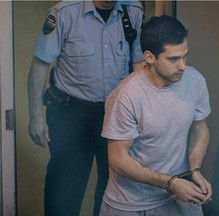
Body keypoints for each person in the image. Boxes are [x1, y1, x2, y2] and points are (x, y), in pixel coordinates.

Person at [27, 1, 145, 216]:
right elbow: (40, 64)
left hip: (115, 116)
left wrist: (143, 115)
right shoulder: (64, 12)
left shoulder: (133, 9)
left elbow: (139, 65)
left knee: (113, 191)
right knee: (63, 192)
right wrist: (35, 116)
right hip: (70, 115)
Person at [99, 15, 212, 216]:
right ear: (150, 57)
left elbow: (199, 127)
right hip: (131, 204)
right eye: (173, 59)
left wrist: (194, 170)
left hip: (180, 196)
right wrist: (170, 182)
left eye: (185, 56)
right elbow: (117, 159)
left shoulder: (194, 80)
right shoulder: (126, 96)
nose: (182, 66)